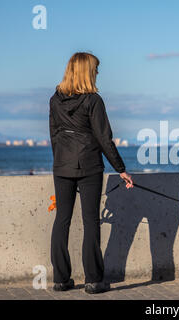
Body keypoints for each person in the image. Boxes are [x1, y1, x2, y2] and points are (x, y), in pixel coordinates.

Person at [49, 52, 133, 294]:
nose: (98, 72)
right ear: (87, 71)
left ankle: (61, 280)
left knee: (61, 220)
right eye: (96, 69)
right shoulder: (93, 101)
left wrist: (62, 164)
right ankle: (94, 281)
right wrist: (121, 170)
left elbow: (54, 137)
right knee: (90, 222)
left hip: (62, 166)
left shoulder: (55, 100)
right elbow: (105, 139)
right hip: (88, 167)